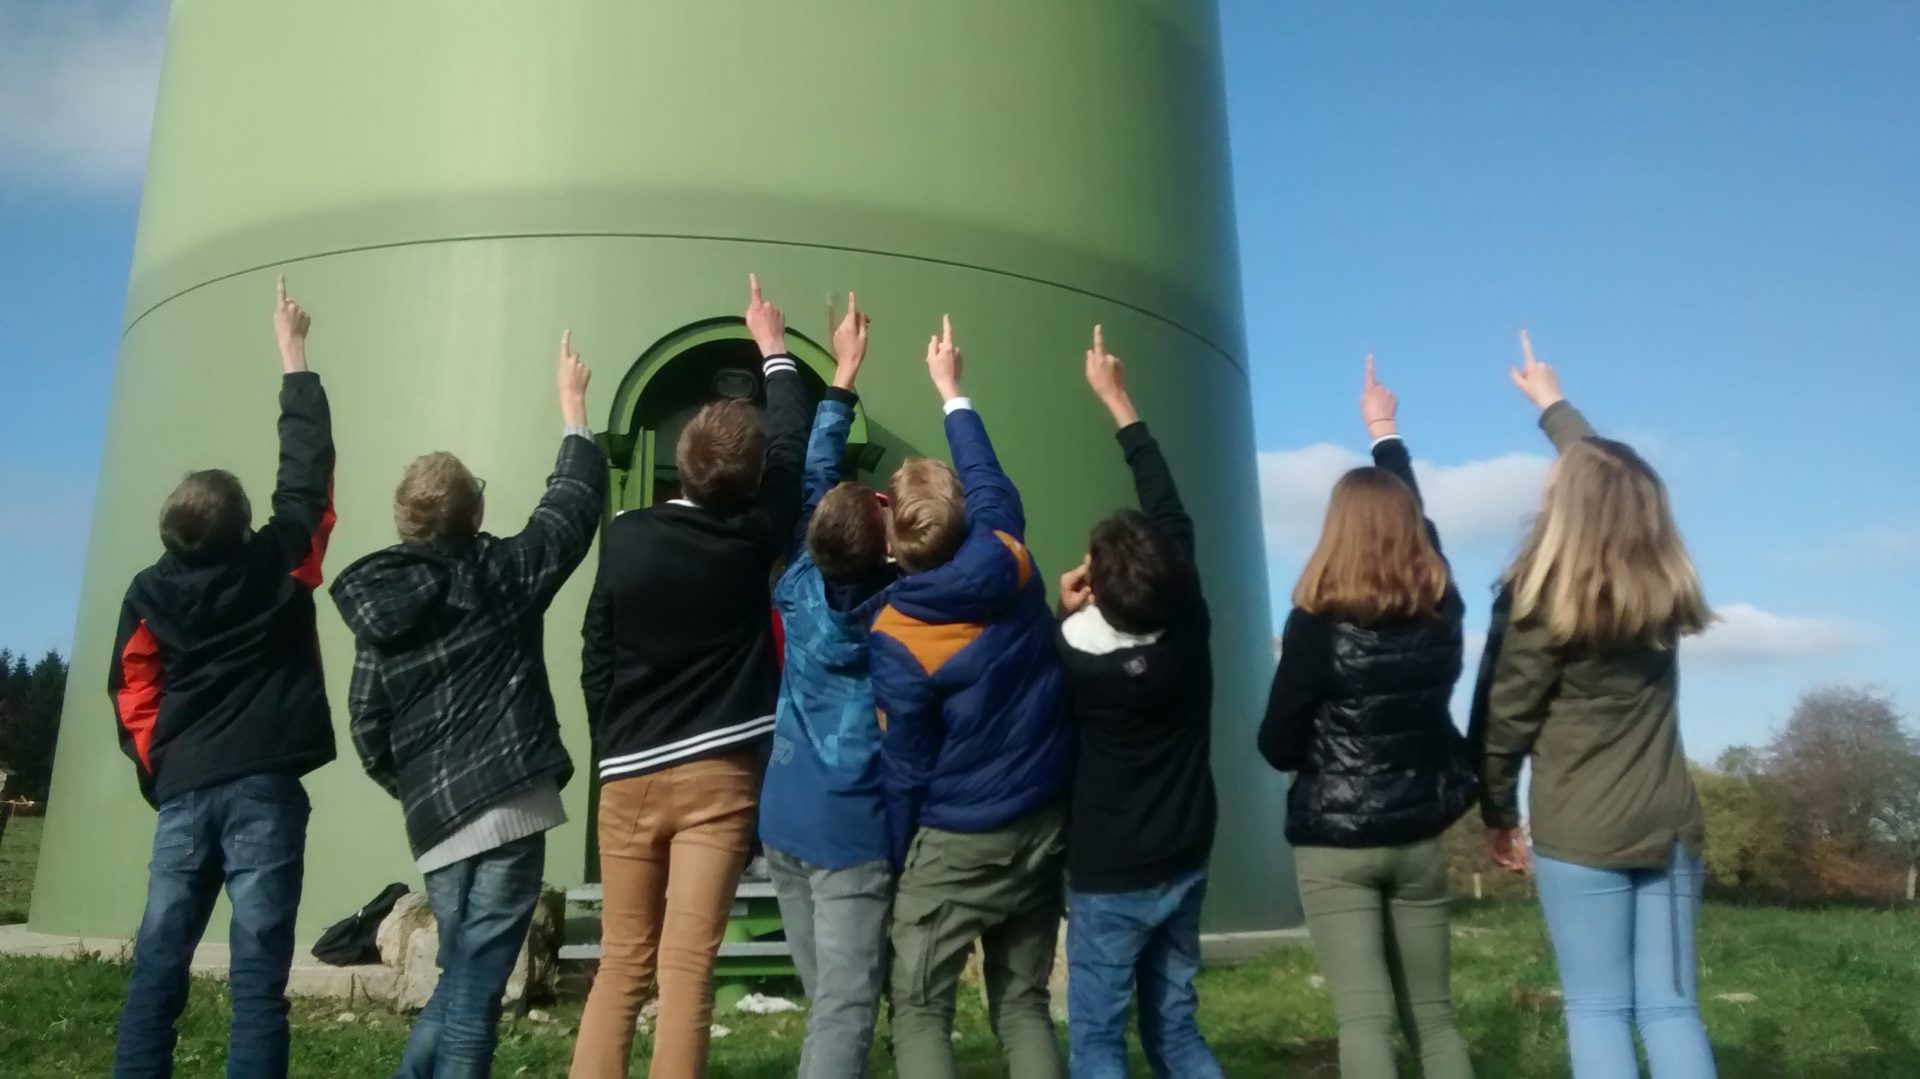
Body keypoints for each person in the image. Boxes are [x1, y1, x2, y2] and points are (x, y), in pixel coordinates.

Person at [331, 332, 605, 1077]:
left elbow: (366, 722)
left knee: (464, 978)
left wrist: (416, 783)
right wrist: (574, 413)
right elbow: (570, 512)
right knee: (476, 991)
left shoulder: (381, 609)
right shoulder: (503, 574)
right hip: (512, 802)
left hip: (437, 821)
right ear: (474, 514)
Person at [572, 275, 810, 1079]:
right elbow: (792, 443)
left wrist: (611, 737)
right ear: (750, 479)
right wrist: (772, 346)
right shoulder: (755, 534)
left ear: (680, 463)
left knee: (621, 965)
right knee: (685, 972)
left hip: (629, 771)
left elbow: (595, 650)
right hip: (720, 775)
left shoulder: (625, 537)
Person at [1471, 332, 1716, 1079]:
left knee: (1598, 1010)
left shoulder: (1542, 602)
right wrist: (1553, 404)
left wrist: (1497, 813)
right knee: (1671, 1009)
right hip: (1669, 825)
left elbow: (1505, 723)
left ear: (1567, 505)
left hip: (1580, 830)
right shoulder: (1662, 589)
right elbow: (1612, 479)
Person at [110, 278, 337, 1079]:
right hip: (265, 788)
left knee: (157, 969)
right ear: (243, 526)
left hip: (184, 790)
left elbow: (131, 692)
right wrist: (293, 351)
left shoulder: (149, 593)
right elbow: (307, 481)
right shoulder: (279, 562)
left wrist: (163, 766)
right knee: (258, 982)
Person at [1257, 356, 1478, 1079]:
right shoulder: (1441, 611)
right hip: (1417, 834)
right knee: (1434, 1019)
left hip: (1335, 843)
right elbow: (1425, 533)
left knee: (1364, 1020)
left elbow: (1276, 742)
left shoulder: (1314, 626)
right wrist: (1384, 432)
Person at [871, 316, 1071, 1079]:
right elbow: (990, 481)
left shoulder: (898, 631)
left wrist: (901, 857)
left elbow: (905, 762)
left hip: (959, 833)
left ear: (896, 542)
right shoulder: (1009, 556)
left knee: (920, 1006)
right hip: (1044, 817)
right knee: (1022, 1004)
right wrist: (951, 391)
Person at [1055, 327, 1223, 1079]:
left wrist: (1060, 613)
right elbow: (1168, 504)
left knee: (1097, 1039)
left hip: (1110, 872)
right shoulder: (1189, 620)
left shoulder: (1074, 656)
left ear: (1095, 585)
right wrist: (1118, 398)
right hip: (1185, 851)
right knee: (1175, 1030)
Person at [757, 294, 899, 1078]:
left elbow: (816, 467)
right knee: (844, 1012)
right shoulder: (902, 613)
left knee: (829, 1006)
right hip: (849, 830)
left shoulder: (799, 580)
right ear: (886, 549)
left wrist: (842, 370)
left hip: (783, 815)